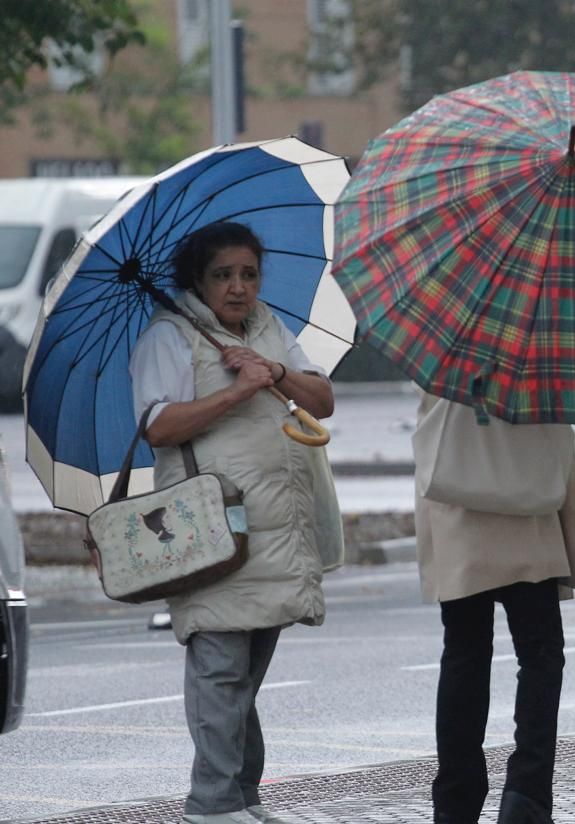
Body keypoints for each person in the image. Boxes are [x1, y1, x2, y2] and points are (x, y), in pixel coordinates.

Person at [128, 221, 340, 824]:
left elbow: (321, 400)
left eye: (248, 273)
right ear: (198, 278)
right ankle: (213, 804)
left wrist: (273, 372)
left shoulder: (269, 326)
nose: (239, 287)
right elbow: (158, 428)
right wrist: (236, 391)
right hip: (210, 528)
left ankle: (242, 797)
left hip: (277, 531)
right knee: (219, 669)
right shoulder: (170, 338)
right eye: (224, 274)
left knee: (244, 676)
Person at [413, 391, 575, 824]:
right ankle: (526, 792)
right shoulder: (547, 330)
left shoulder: (444, 330)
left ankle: (455, 799)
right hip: (530, 502)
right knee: (540, 653)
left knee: (465, 654)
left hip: (459, 501)